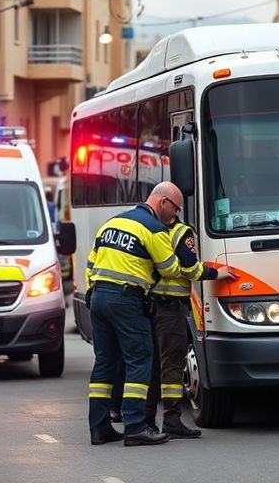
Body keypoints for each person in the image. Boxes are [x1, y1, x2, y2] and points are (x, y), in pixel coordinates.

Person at [86, 182, 190, 447]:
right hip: (126, 300)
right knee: (139, 359)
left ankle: (99, 428)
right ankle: (135, 427)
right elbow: (169, 268)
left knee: (105, 363)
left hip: (98, 296)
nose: (175, 215)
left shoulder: (112, 223)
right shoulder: (153, 228)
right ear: (164, 202)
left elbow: (90, 263)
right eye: (175, 209)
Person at [145, 213, 232, 438]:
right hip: (171, 308)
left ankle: (146, 422)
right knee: (172, 364)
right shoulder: (181, 232)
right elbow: (190, 268)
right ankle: (172, 421)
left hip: (148, 305)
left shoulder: (147, 228)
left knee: (151, 365)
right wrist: (216, 273)